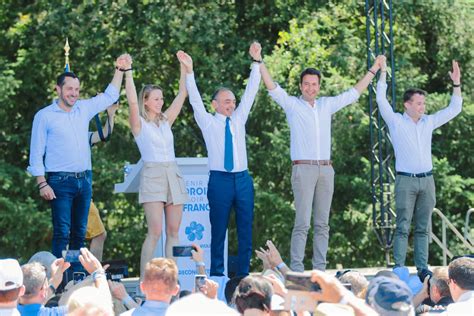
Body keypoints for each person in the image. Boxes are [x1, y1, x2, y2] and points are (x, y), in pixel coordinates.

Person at [257, 41, 385, 271]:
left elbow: (353, 94)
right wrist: (259, 61)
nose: (310, 88)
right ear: (301, 86)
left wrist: (373, 69)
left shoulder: (327, 105)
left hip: (326, 169)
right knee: (302, 222)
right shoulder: (293, 105)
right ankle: (295, 269)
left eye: (314, 84)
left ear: (319, 86)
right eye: (306, 84)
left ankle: (320, 269)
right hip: (303, 168)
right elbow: (272, 88)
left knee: (322, 224)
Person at [27, 55, 127, 265]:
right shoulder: (44, 116)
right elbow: (36, 152)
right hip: (59, 182)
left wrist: (119, 69)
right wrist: (41, 182)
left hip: (84, 180)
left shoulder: (84, 108)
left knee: (79, 234)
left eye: (77, 89)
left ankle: (74, 276)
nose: (74, 93)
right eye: (69, 89)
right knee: (62, 232)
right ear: (58, 89)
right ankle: (58, 280)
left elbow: (110, 95)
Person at [177, 44, 262, 278]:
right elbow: (194, 100)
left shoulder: (238, 119)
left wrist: (256, 63)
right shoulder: (208, 122)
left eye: (233, 101)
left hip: (243, 179)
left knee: (245, 230)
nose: (231, 104)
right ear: (215, 104)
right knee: (218, 232)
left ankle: (243, 277)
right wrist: (190, 71)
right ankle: (217, 276)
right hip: (219, 181)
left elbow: (251, 92)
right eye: (226, 101)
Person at [376, 58, 462, 275]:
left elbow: (454, 108)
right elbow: (380, 98)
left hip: (427, 180)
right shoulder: (396, 121)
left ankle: (423, 268)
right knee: (403, 226)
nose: (423, 107)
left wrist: (456, 84)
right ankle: (399, 268)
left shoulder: (429, 122)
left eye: (424, 103)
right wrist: (383, 72)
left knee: (424, 227)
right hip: (405, 180)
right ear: (407, 104)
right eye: (419, 103)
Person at [123, 53, 188, 278]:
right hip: (153, 174)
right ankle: (145, 281)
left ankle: (172, 280)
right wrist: (128, 72)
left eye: (162, 98)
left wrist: (185, 67)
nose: (161, 102)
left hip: (173, 172)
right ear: (146, 101)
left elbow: (182, 93)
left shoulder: (165, 121)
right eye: (157, 99)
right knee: (155, 232)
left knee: (173, 232)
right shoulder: (139, 124)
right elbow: (131, 100)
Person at [86, 101, 120, 261]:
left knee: (99, 234)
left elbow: (104, 134)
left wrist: (111, 113)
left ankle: (90, 277)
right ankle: (91, 277)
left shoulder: (83, 136)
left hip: (82, 193)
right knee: (97, 235)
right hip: (69, 191)